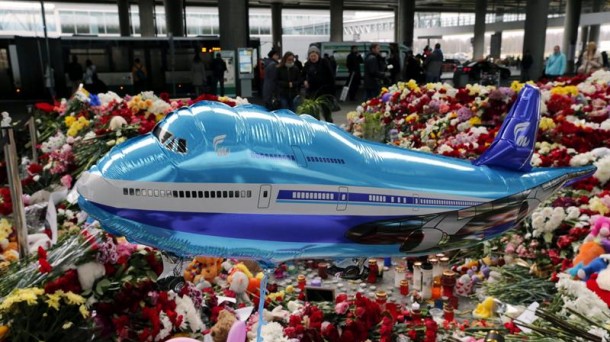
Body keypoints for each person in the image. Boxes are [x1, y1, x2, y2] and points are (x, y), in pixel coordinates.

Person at [302, 45, 335, 122]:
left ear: (318, 55)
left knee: (326, 112)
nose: (313, 58)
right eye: (311, 56)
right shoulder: (307, 64)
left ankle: (329, 125)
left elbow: (331, 76)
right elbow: (302, 76)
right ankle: (316, 125)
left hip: (324, 91)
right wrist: (304, 81)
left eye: (315, 56)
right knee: (313, 111)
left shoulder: (324, 62)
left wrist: (331, 91)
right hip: (312, 92)